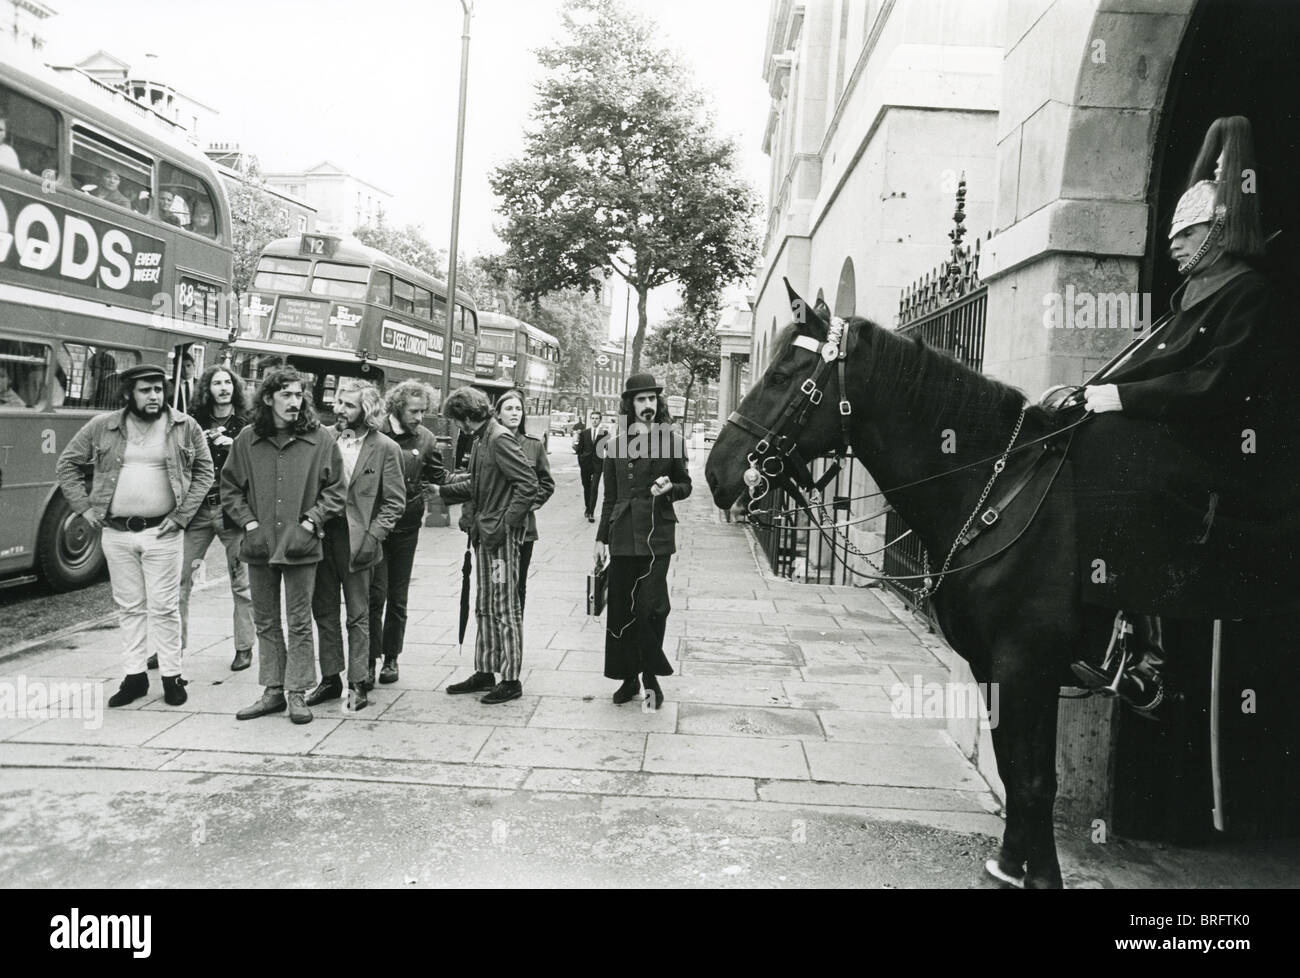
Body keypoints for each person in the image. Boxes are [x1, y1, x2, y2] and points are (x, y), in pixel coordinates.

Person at [1074, 116, 1276, 718]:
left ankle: (1149, 665)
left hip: (1222, 456)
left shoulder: (1248, 294)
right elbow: (1147, 367)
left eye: (1187, 234)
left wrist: (1123, 402)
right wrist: (1088, 392)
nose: (1174, 246)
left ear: (1219, 229)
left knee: (1119, 453)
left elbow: (1212, 383)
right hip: (1172, 443)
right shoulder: (1185, 300)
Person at [55, 364, 214, 709]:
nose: (154, 396)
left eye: (158, 389)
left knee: (165, 607)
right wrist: (83, 508)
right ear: (129, 393)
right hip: (116, 532)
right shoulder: (103, 426)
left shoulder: (185, 426)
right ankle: (135, 677)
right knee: (129, 607)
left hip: (164, 531)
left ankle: (172, 677)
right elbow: (67, 463)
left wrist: (183, 515)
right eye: (146, 390)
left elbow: (205, 470)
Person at [221, 366, 347, 725]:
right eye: (287, 395)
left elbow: (336, 489)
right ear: (268, 398)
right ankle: (273, 690)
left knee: (299, 621)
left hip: (300, 545)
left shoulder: (319, 438)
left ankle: (297, 692)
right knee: (264, 619)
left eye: (299, 395)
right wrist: (248, 522)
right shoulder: (247, 439)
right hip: (260, 545)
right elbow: (229, 487)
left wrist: (311, 522)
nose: (295, 402)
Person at [434, 386, 538, 705]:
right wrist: (442, 490)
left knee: (504, 606)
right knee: (486, 604)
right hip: (486, 536)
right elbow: (477, 483)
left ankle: (510, 678)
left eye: (457, 420)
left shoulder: (498, 438)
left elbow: (528, 485)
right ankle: (485, 670)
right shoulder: (482, 438)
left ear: (467, 416)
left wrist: (505, 524)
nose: (457, 426)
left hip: (500, 541)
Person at [595, 373, 692, 710]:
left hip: (657, 536)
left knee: (650, 607)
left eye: (652, 399)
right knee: (622, 610)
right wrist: (600, 539)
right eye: (641, 400)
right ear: (630, 404)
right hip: (622, 535)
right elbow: (609, 498)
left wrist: (671, 489)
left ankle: (651, 679)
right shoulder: (614, 443)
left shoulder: (672, 440)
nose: (648, 405)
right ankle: (628, 678)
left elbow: (685, 484)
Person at [307, 380, 404, 712]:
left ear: (367, 410)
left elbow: (394, 503)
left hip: (358, 541)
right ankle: (330, 678)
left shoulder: (386, 447)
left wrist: (373, 536)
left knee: (359, 615)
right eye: (338, 402)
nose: (339, 410)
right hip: (322, 538)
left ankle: (359, 681)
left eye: (348, 405)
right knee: (324, 611)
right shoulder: (325, 438)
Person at [174, 364, 255, 672]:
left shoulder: (247, 424)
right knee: (180, 580)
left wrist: (233, 445)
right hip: (198, 511)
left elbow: (261, 458)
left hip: (232, 511)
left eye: (227, 383)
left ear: (234, 388)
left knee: (241, 583)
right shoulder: (193, 423)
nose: (223, 388)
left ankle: (244, 647)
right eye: (216, 383)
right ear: (207, 390)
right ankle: (173, 648)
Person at [367, 380, 446, 688]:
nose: (419, 417)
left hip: (407, 526)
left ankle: (391, 657)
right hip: (376, 526)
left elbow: (438, 476)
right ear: (397, 407)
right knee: (375, 596)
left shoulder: (425, 438)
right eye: (414, 411)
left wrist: (477, 480)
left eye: (423, 411)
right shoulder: (374, 431)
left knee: (398, 598)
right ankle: (370, 659)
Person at [493, 389, 555, 609]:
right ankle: (498, 635)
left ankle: (515, 637)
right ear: (498, 414)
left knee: (518, 586)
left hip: (524, 531)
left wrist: (527, 505)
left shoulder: (533, 445)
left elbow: (546, 484)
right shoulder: (488, 443)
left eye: (518, 409)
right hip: (496, 531)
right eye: (509, 409)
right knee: (498, 584)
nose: (514, 413)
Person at [574, 410, 604, 522]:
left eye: (597, 418)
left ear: (600, 420)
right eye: (593, 418)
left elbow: (607, 450)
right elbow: (579, 450)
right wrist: (581, 461)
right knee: (586, 487)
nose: (594, 420)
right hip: (585, 465)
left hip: (598, 465)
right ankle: (587, 507)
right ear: (590, 419)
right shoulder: (584, 433)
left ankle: (591, 512)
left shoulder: (604, 434)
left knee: (594, 488)